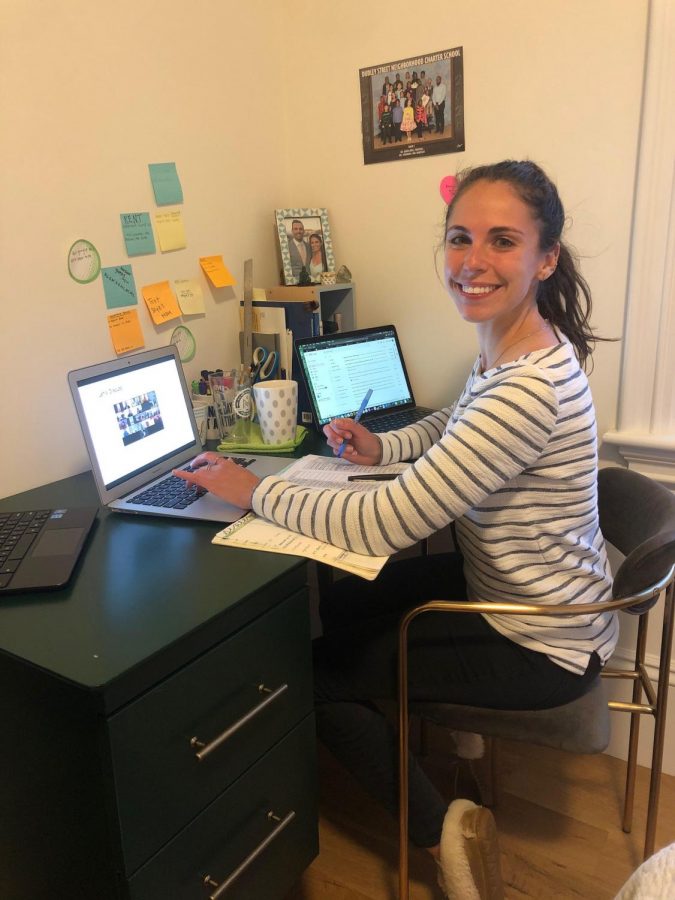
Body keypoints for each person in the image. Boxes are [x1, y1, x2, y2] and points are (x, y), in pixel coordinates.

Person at [174, 160, 617, 899]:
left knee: (312, 676)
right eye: (459, 238)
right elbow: (455, 423)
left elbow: (384, 522)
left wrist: (253, 490)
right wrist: (386, 446)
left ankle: (444, 840)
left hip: (539, 637)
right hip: (529, 592)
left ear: (544, 259)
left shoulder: (528, 384)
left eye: (500, 241)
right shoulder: (520, 347)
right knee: (347, 596)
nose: (471, 262)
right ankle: (447, 732)